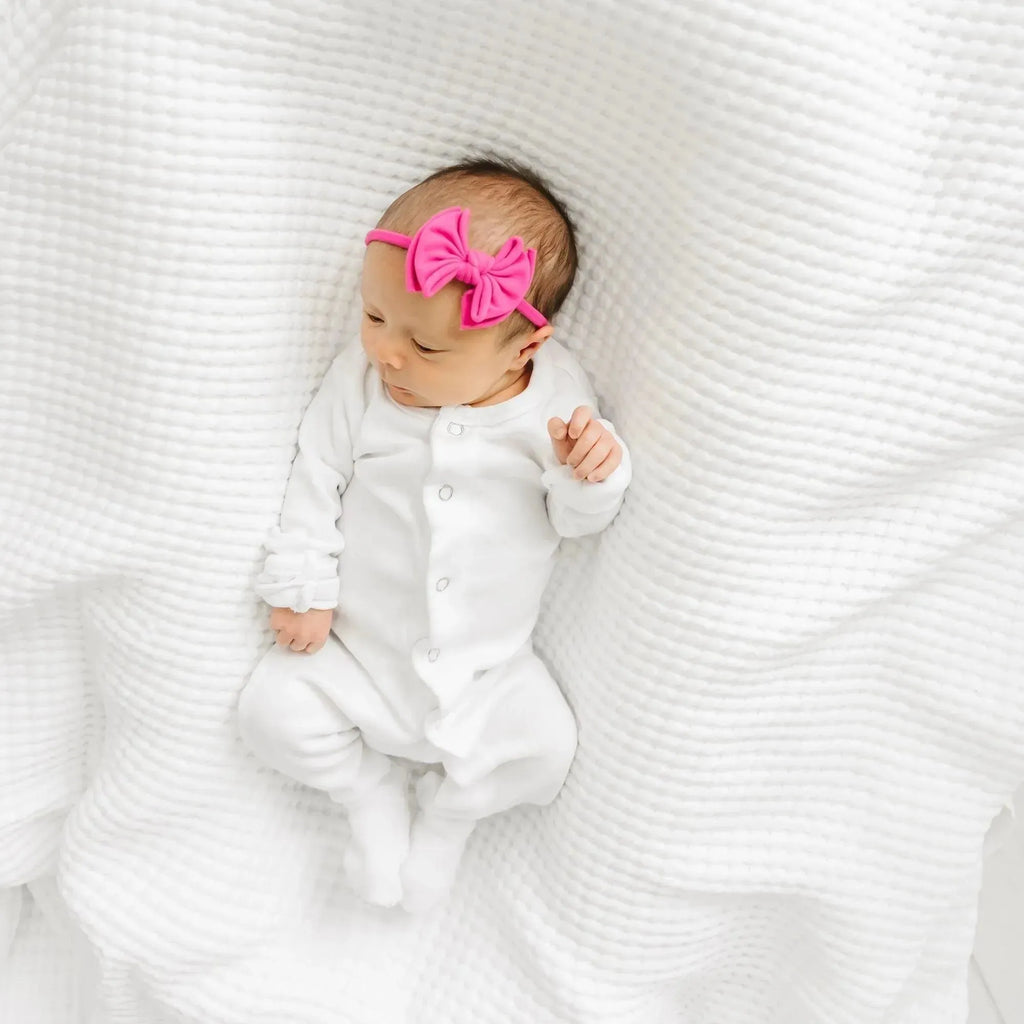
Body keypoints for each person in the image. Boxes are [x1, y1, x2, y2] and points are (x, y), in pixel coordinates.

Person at [237, 155, 632, 912]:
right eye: (374, 317)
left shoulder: (555, 403)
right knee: (269, 713)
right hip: (354, 657)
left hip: (488, 676)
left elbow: (575, 522)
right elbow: (316, 472)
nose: (387, 351)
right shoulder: (361, 382)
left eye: (426, 349)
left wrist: (592, 476)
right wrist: (302, 584)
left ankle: (451, 817)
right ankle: (367, 791)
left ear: (523, 349)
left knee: (547, 747)